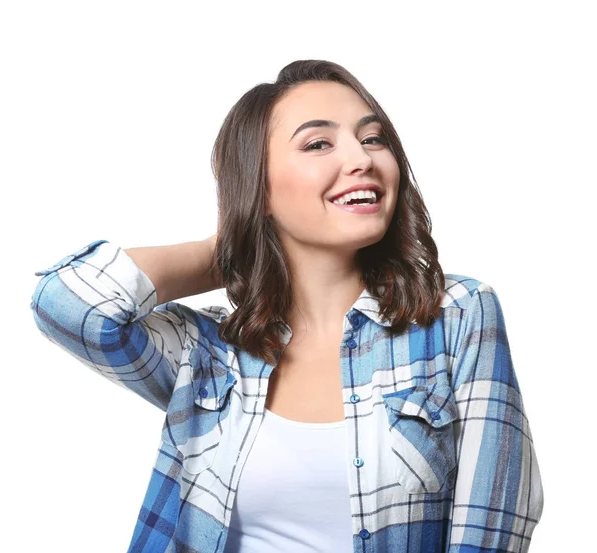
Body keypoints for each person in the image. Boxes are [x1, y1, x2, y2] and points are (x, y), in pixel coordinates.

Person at [30, 59, 544, 553]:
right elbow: (71, 304)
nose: (361, 159)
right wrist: (235, 245)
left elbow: (492, 524)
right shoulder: (209, 353)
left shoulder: (458, 316)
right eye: (319, 143)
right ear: (261, 188)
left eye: (373, 139)